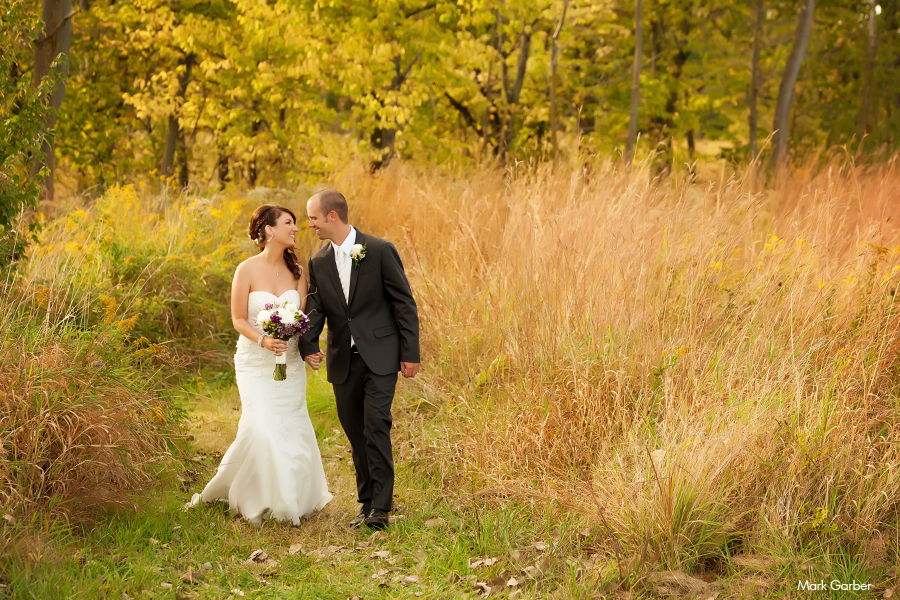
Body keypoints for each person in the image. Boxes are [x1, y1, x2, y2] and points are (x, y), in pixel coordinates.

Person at [190, 204, 332, 526]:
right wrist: (263, 340)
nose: (295, 228)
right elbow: (238, 318)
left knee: (290, 427)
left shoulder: (298, 273)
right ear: (268, 230)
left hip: (289, 363)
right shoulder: (246, 270)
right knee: (260, 425)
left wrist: (309, 350)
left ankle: (289, 498)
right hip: (254, 362)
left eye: (296, 223)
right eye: (288, 223)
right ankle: (254, 497)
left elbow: (303, 321)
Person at [301, 189, 420, 529]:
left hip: (381, 357)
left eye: (313, 218)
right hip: (343, 361)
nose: (310, 224)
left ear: (332, 217)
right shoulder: (318, 261)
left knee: (375, 427)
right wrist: (308, 344)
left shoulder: (380, 250)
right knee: (355, 433)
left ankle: (380, 508)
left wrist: (410, 353)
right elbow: (317, 307)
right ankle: (366, 502)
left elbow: (403, 303)